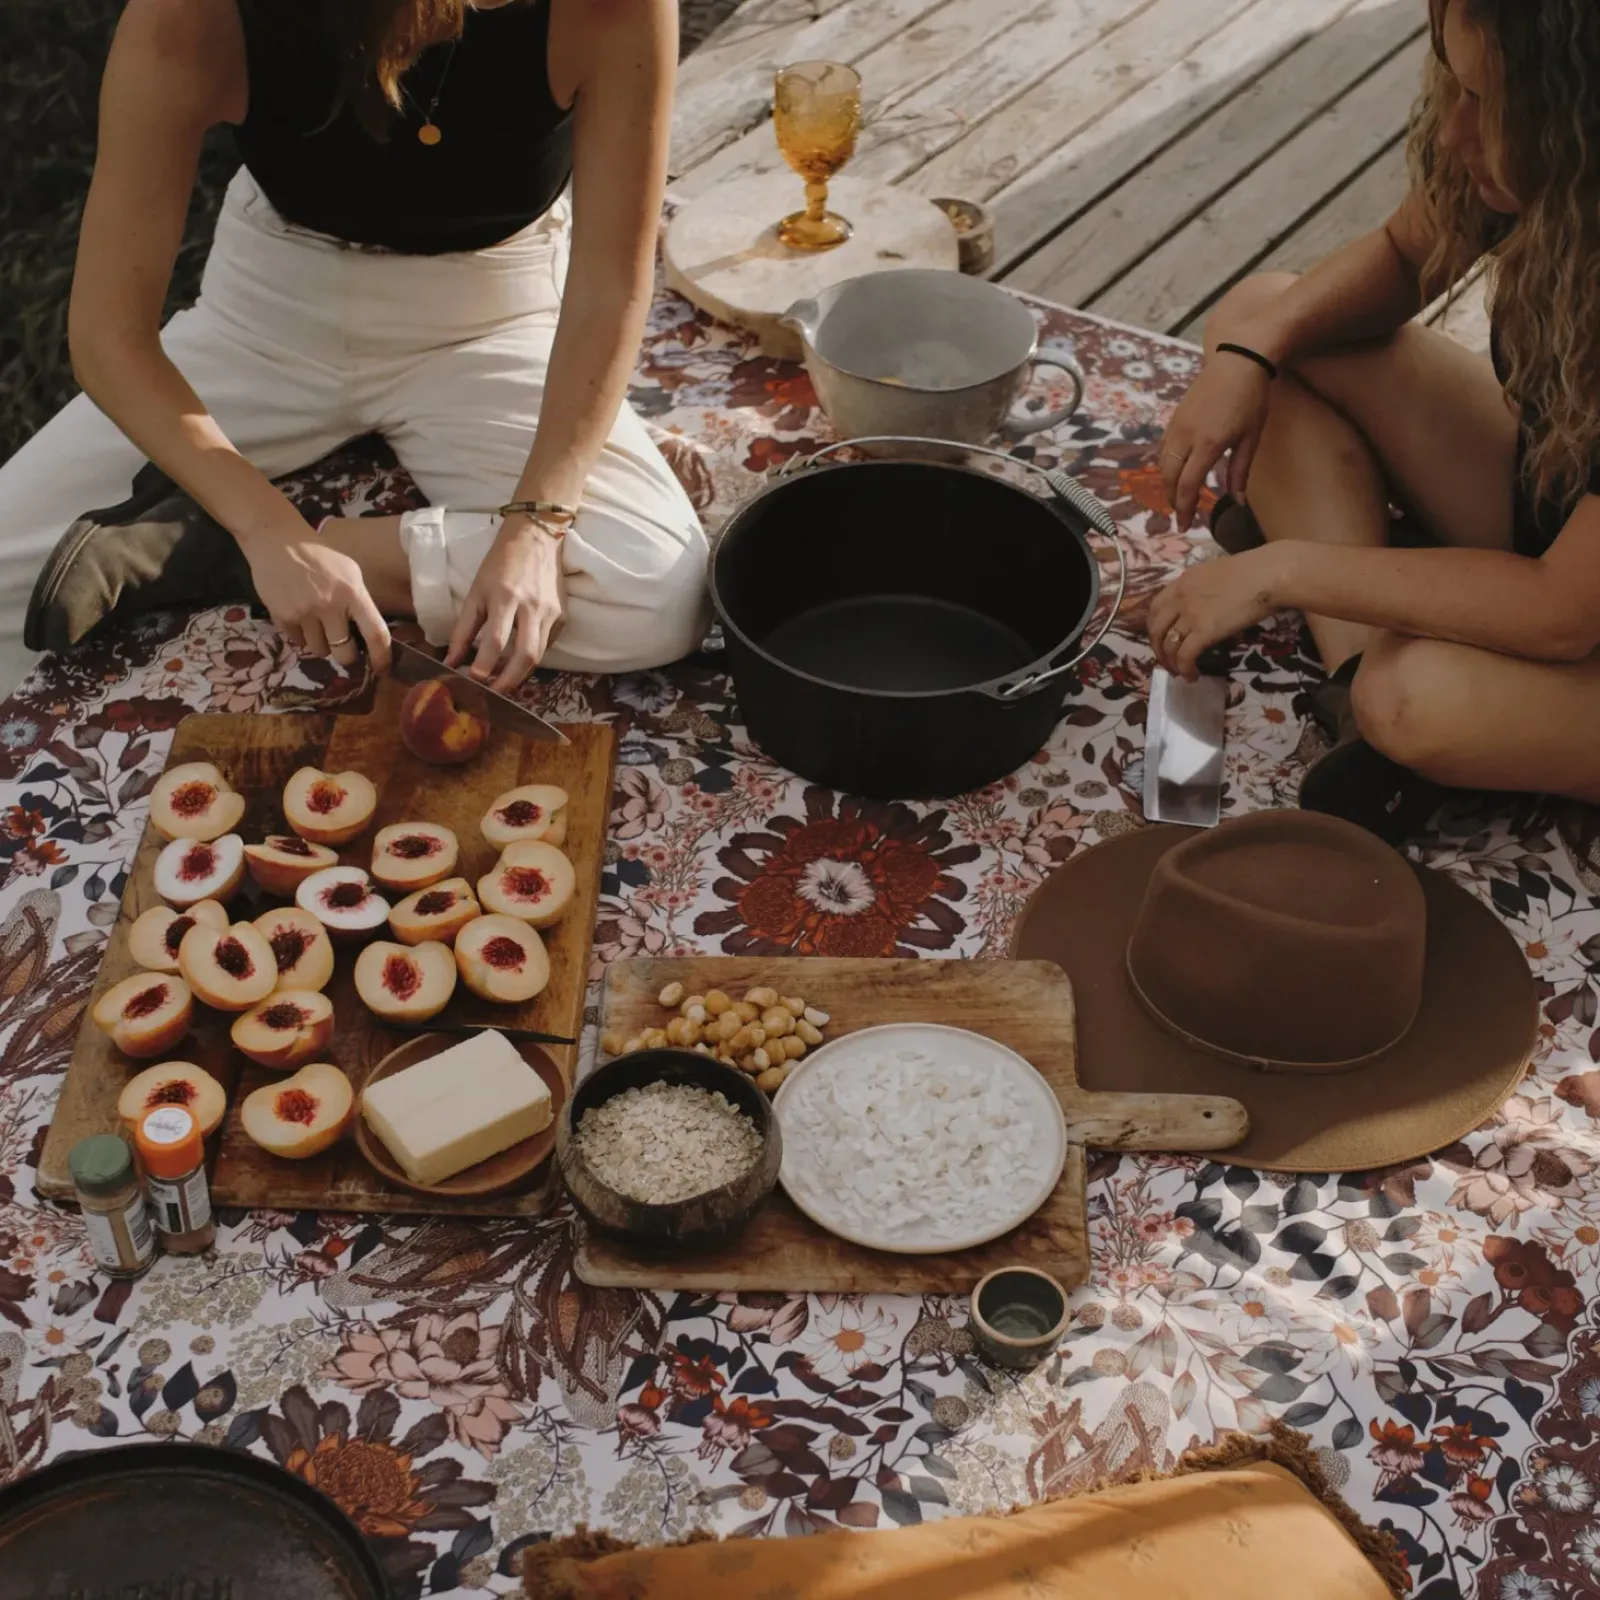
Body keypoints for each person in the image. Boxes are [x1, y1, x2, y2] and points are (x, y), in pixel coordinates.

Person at [0, 0, 710, 693]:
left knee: (654, 592)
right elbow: (107, 336)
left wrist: (535, 527)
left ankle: (204, 551)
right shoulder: (192, 16)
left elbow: (609, 289)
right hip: (268, 318)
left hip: (494, 316)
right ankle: (228, 538)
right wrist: (265, 525)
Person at [1150, 0, 1600, 845]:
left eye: (1488, 101)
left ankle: (1388, 706)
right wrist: (1251, 356)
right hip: (1563, 515)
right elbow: (1403, 255)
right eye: (1454, 86)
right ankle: (1352, 682)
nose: (1458, 131)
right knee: (1265, 317)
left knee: (1415, 697)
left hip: (1578, 604)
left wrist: (1285, 571)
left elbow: (1561, 612)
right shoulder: (1554, 166)